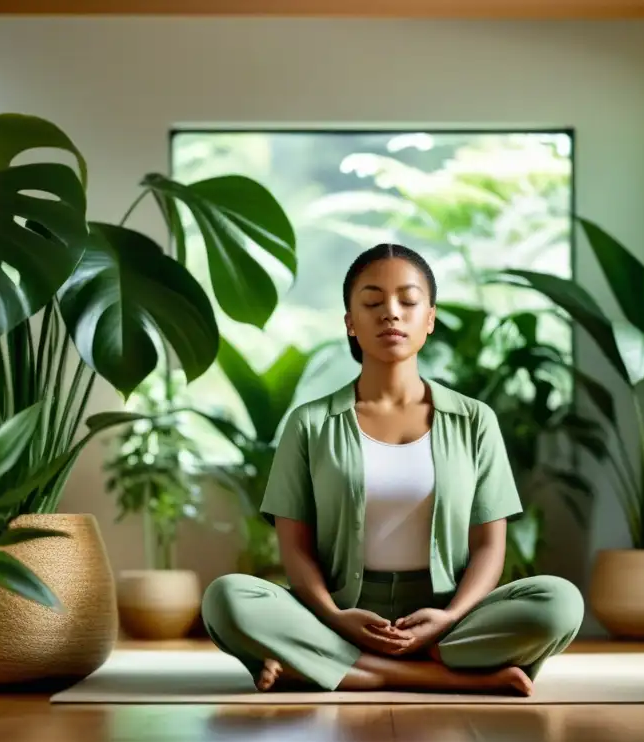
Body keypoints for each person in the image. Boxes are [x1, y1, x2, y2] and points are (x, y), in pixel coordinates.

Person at [202, 243, 584, 696]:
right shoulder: (309, 424)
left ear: (430, 318)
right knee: (227, 600)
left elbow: (489, 548)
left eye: (408, 300)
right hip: (341, 615)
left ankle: (322, 665)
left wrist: (449, 618)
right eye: (372, 302)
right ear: (350, 321)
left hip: (446, 621)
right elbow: (295, 550)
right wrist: (334, 616)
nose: (391, 313)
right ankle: (432, 676)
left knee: (559, 603)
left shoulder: (475, 419)